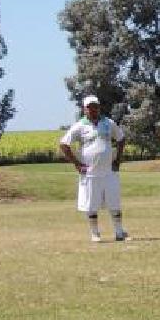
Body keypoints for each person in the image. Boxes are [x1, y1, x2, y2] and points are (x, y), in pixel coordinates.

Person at [59, 95, 130, 242]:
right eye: (89, 107)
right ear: (84, 109)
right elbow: (64, 144)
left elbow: (121, 138)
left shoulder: (108, 123)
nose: (93, 109)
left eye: (95, 106)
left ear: (99, 107)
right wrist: (77, 164)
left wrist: (118, 159)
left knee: (114, 202)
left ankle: (119, 232)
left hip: (109, 171)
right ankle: (95, 233)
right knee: (91, 204)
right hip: (90, 173)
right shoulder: (80, 126)